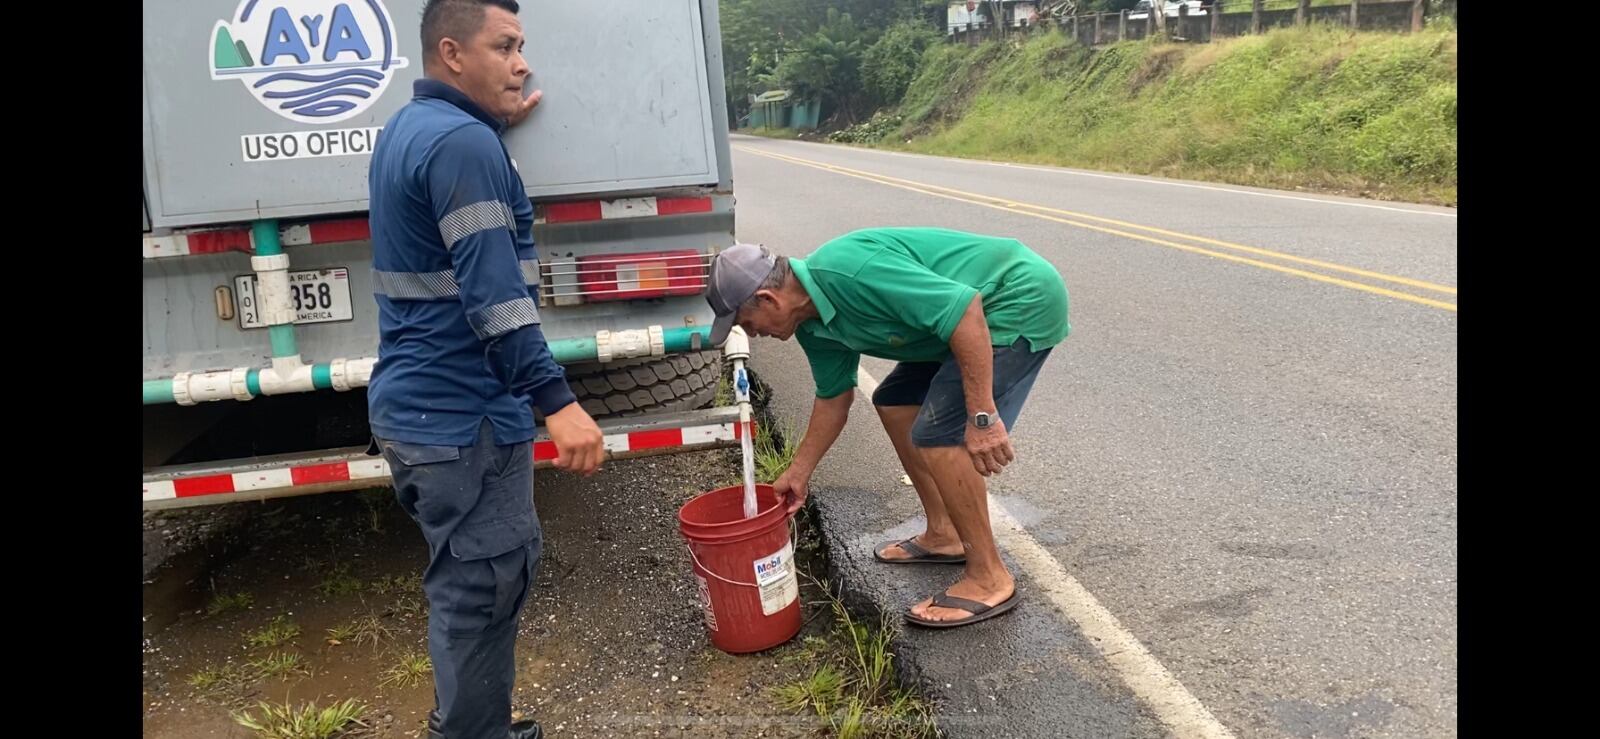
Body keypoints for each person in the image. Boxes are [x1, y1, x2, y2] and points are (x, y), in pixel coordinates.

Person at [366, 1, 604, 736]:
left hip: (423, 410)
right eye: (505, 46)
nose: (523, 62)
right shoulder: (461, 147)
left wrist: (492, 133)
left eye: (521, 46)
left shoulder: (414, 129)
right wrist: (557, 400)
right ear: (452, 53)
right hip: (462, 415)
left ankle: (482, 724)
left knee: (474, 585)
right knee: (483, 586)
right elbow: (495, 299)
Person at [705, 227, 1069, 628]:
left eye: (749, 324)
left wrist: (982, 418)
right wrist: (799, 472)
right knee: (895, 401)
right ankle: (945, 532)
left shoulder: (849, 271)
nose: (756, 335)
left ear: (767, 298)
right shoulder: (811, 325)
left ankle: (989, 576)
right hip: (952, 329)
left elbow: (964, 311)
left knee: (938, 434)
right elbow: (834, 398)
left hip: (1015, 299)